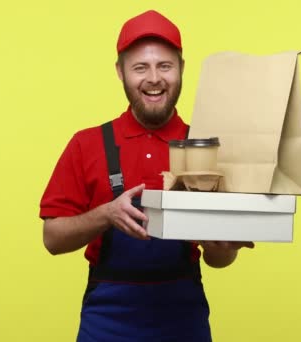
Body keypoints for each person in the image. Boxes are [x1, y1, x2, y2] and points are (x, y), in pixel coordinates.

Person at [39, 10, 254, 341]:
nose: (154, 78)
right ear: (120, 72)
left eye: (164, 66)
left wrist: (222, 246)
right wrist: (106, 215)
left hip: (184, 318)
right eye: (140, 67)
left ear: (181, 69)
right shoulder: (87, 144)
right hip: (106, 320)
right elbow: (52, 239)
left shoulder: (207, 147)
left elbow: (218, 261)